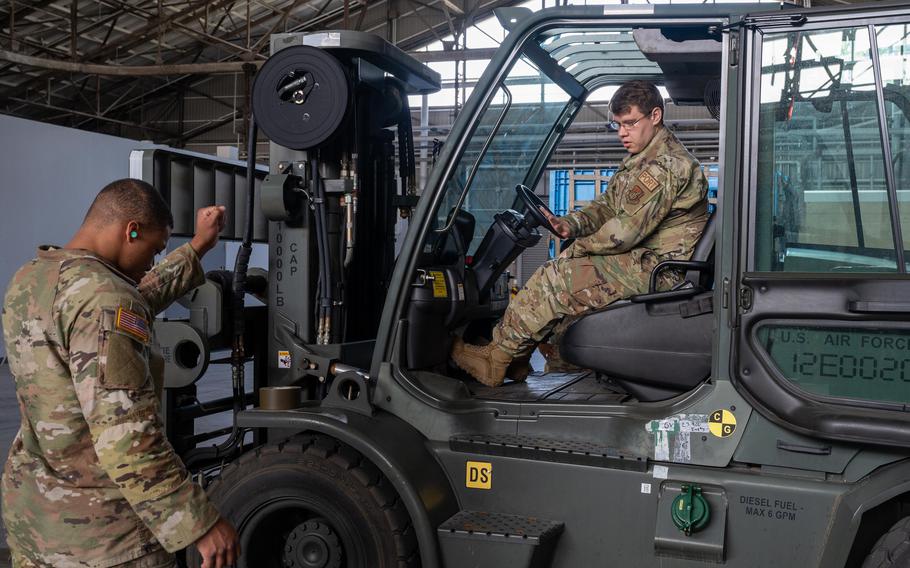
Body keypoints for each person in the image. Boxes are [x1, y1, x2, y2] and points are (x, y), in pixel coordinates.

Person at [2, 179, 240, 568]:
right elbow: (127, 439)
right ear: (132, 230)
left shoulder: (29, 279)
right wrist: (197, 521)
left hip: (36, 522)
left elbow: (130, 298)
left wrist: (199, 246)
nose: (152, 261)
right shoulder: (105, 300)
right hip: (105, 540)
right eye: (154, 249)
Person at [451, 80, 710, 387]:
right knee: (563, 291)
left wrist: (578, 248)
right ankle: (521, 360)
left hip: (659, 270)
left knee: (554, 278)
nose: (622, 133)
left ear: (655, 116)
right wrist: (568, 225)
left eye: (630, 123)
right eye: (617, 125)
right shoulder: (641, 160)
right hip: (644, 261)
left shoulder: (666, 166)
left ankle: (495, 359)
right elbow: (606, 207)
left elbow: (622, 233)